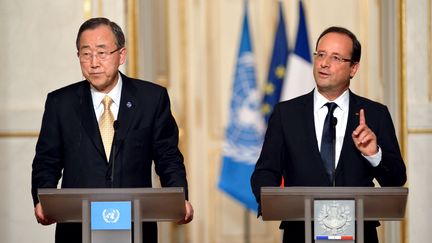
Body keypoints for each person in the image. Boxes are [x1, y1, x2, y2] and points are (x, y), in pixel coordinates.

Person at [31, 17, 193, 243]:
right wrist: (43, 199)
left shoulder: (151, 99)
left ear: (121, 55)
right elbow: (46, 161)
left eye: (102, 52)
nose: (93, 62)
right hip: (77, 228)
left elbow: (168, 156)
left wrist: (179, 197)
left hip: (136, 224)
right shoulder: (61, 103)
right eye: (85, 54)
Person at [250, 26, 406, 243]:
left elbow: (396, 179)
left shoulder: (375, 114)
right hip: (300, 233)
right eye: (320, 55)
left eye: (335, 57)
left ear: (353, 68)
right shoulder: (286, 113)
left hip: (359, 233)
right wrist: (271, 202)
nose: (324, 63)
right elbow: (265, 171)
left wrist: (374, 154)